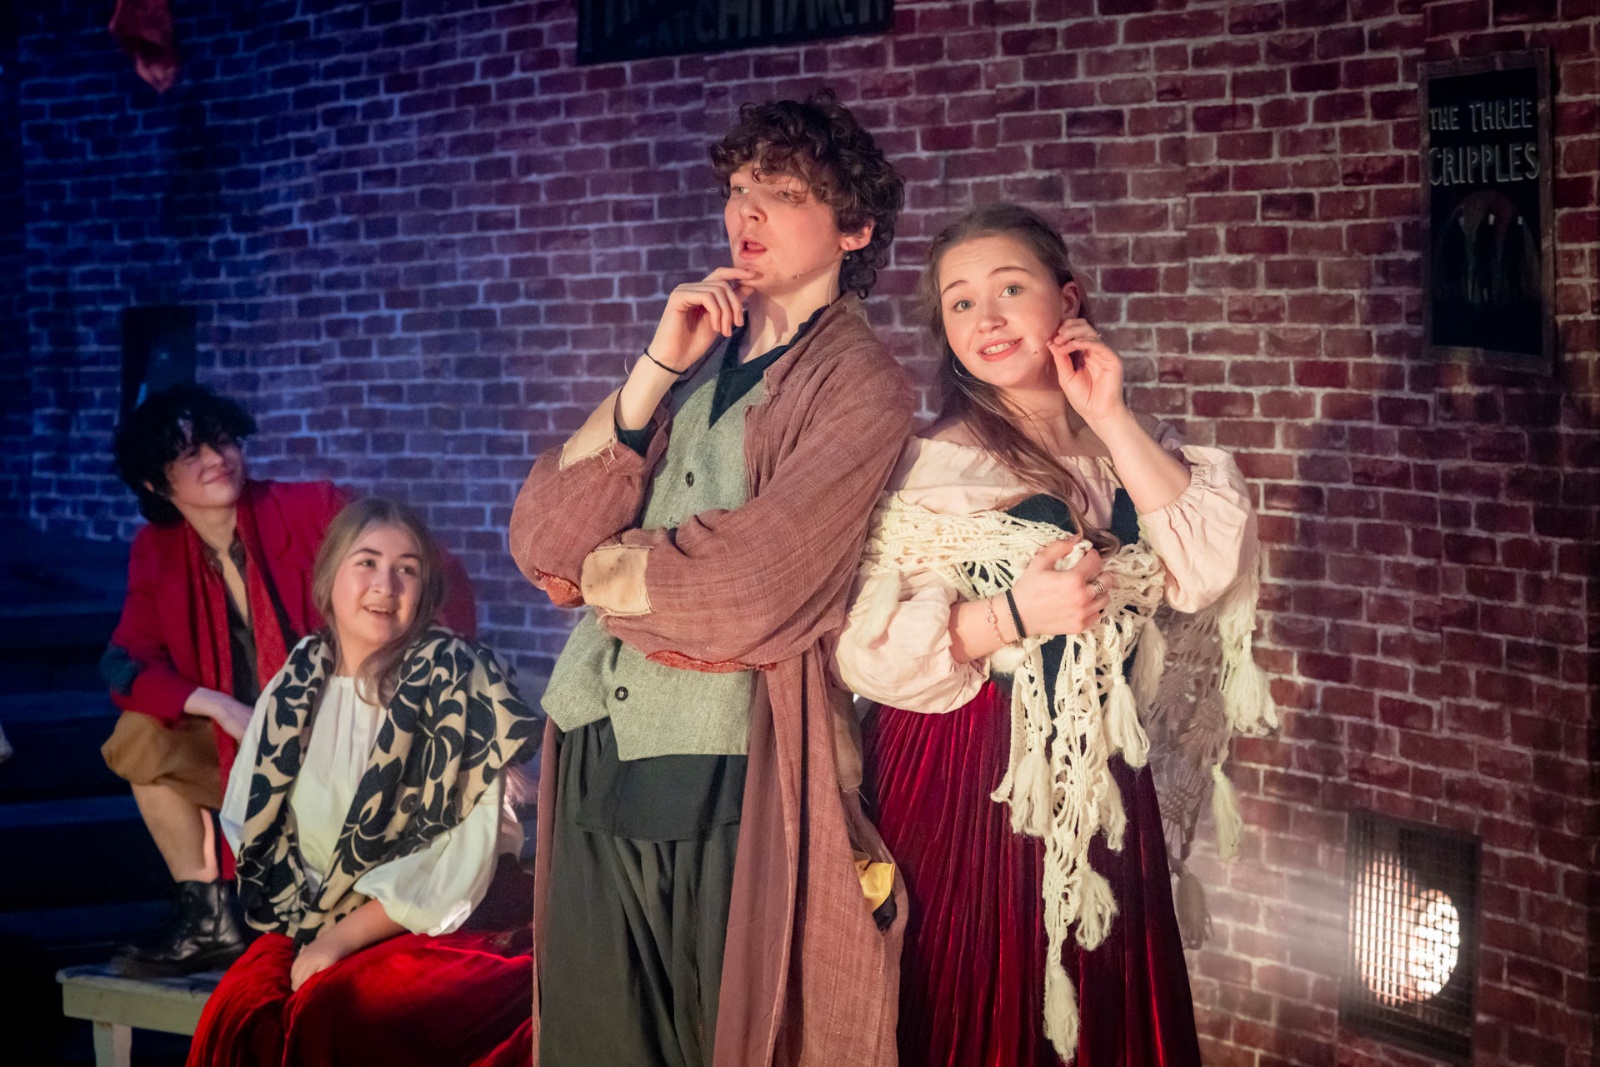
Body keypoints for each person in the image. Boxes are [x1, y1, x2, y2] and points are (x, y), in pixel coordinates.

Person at [508, 88, 914, 1067]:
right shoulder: (696, 361)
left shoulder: (860, 382)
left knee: (713, 1037)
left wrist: (606, 572)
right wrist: (655, 366)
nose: (747, 212)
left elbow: (754, 589)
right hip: (594, 738)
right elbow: (542, 540)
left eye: (783, 193)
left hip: (725, 760)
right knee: (597, 1042)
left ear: (854, 227)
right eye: (738, 188)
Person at [836, 203, 1275, 1067]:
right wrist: (1012, 616)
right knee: (973, 1001)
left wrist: (1109, 414)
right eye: (961, 303)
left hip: (1102, 769)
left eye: (1010, 288)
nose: (987, 318)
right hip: (968, 772)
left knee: (1100, 1004)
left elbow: (1201, 569)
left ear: (1067, 299)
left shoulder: (1134, 447)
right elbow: (865, 651)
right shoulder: (934, 466)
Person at [102, 384, 477, 977]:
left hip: (349, 730)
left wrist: (414, 674)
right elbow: (125, 662)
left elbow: (435, 572)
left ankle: (348, 914)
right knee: (139, 735)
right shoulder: (157, 550)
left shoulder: (311, 507)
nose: (216, 459)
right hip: (247, 738)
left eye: (222, 441)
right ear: (155, 482)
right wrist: (219, 706)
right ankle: (209, 920)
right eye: (190, 453)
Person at [186, 498, 540, 1067]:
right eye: (367, 562)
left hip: (448, 921)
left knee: (336, 1012)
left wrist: (339, 939)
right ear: (330, 577)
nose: (386, 584)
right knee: (242, 1010)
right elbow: (256, 818)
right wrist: (313, 926)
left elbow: (451, 866)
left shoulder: (454, 678)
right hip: (318, 914)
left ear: (424, 592)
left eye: (407, 569)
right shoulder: (300, 678)